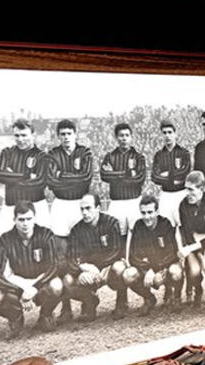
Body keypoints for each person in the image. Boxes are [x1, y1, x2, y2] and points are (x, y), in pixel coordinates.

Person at [0, 201, 62, 339]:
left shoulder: (46, 234)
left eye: (29, 219)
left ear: (35, 218)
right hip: (18, 281)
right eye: (21, 219)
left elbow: (54, 266)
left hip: (39, 280)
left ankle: (45, 315)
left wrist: (35, 288)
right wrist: (21, 291)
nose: (25, 223)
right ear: (14, 220)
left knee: (57, 285)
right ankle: (16, 317)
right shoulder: (5, 239)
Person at [46, 119, 94, 321]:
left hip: (79, 204)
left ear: (75, 134)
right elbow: (51, 181)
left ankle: (87, 301)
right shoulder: (53, 155)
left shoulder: (85, 153)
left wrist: (63, 176)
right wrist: (72, 177)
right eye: (62, 134)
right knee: (61, 254)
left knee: (84, 251)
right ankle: (66, 307)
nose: (66, 137)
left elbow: (86, 178)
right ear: (58, 136)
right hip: (60, 205)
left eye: (69, 133)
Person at [62, 194, 129, 321]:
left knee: (119, 267)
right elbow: (72, 258)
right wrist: (82, 268)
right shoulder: (77, 229)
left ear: (98, 207)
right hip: (89, 271)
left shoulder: (111, 223)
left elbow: (116, 251)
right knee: (67, 281)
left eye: (88, 208)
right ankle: (89, 302)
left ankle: (121, 302)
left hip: (107, 268)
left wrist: (96, 267)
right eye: (82, 209)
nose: (85, 213)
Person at [123, 195, 184, 315]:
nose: (147, 217)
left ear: (157, 211)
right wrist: (148, 270)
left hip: (164, 267)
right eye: (143, 213)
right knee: (128, 275)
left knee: (176, 272)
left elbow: (172, 253)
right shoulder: (138, 226)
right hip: (147, 269)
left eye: (150, 212)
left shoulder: (165, 224)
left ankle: (176, 297)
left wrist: (157, 269)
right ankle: (149, 298)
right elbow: (133, 256)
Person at [178, 171, 205, 313]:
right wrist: (199, 256)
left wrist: (203, 254)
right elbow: (187, 234)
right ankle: (198, 290)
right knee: (195, 270)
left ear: (201, 189)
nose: (187, 193)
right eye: (186, 188)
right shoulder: (183, 205)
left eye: (191, 189)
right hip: (193, 242)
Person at [0, 119, 49, 229]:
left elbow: (40, 182)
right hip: (11, 207)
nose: (20, 139)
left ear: (33, 135)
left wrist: (10, 177)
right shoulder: (7, 153)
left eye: (24, 135)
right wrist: (27, 176)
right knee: (7, 243)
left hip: (36, 206)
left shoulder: (42, 156)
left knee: (41, 243)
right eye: (17, 135)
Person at [100, 123, 147, 240]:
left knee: (137, 235)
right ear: (116, 138)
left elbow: (139, 179)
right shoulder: (109, 156)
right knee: (116, 235)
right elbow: (104, 175)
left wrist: (115, 175)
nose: (124, 138)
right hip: (116, 202)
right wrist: (128, 173)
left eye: (127, 135)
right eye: (121, 135)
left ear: (131, 137)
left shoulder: (139, 157)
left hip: (134, 201)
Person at [151, 120, 191, 227]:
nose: (167, 135)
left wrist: (165, 174)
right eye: (164, 133)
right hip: (165, 195)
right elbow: (154, 177)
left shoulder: (184, 152)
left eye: (170, 132)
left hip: (181, 193)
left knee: (184, 226)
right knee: (166, 227)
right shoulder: (158, 155)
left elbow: (185, 173)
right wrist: (174, 177)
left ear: (175, 133)